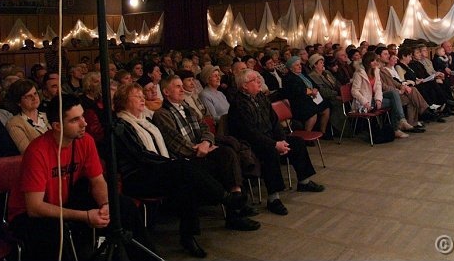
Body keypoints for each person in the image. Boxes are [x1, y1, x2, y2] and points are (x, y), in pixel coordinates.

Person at [7, 94, 152, 261]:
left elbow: (97, 181)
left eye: (82, 116)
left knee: (122, 206)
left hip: (65, 202)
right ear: (57, 126)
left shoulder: (85, 140)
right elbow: (35, 207)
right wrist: (85, 216)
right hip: (27, 215)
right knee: (56, 232)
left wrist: (105, 205)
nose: (84, 123)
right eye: (75, 120)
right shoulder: (37, 151)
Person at [113, 83, 250, 258]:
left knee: (191, 177)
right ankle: (225, 198)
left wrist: (173, 163)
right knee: (183, 168)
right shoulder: (121, 125)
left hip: (158, 169)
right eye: (137, 96)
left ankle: (188, 236)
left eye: (142, 95)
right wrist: (171, 164)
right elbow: (141, 155)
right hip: (138, 176)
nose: (142, 99)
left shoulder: (145, 121)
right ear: (124, 101)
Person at [152, 76, 261, 232]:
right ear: (166, 92)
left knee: (227, 152)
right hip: (186, 160)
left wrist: (206, 143)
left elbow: (205, 128)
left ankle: (235, 205)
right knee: (226, 159)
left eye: (182, 86)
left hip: (203, 150)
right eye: (177, 87)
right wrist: (198, 149)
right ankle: (236, 209)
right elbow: (174, 141)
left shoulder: (188, 108)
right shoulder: (162, 114)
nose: (182, 89)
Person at [229, 69, 325, 216]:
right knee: (270, 153)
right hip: (251, 143)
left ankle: (304, 182)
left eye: (258, 78)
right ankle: (273, 199)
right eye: (254, 80)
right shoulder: (238, 104)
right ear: (244, 86)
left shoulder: (261, 97)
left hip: (270, 137)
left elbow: (274, 121)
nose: (259, 81)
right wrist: (274, 144)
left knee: (297, 142)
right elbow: (250, 133)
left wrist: (281, 139)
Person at [351, 51, 406, 139]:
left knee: (394, 93)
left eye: (376, 60)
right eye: (373, 61)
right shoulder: (359, 73)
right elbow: (354, 91)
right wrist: (365, 102)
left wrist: (378, 99)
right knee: (394, 102)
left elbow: (378, 87)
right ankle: (396, 128)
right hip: (364, 102)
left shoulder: (376, 71)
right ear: (368, 62)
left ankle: (401, 120)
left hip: (374, 99)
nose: (376, 62)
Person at [283, 56, 331, 134]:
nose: (300, 66)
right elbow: (298, 91)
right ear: (291, 68)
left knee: (326, 107)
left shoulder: (303, 75)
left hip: (310, 98)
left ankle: (323, 132)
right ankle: (307, 135)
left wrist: (315, 89)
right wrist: (311, 92)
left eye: (300, 64)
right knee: (312, 113)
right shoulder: (288, 78)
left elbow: (314, 84)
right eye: (297, 65)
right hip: (298, 102)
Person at [5, 79, 51, 153]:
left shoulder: (47, 115)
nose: (34, 98)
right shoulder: (14, 123)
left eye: (35, 93)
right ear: (18, 102)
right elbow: (27, 151)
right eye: (29, 96)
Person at [307, 53, 343, 137]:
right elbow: (322, 91)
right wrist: (336, 95)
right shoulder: (312, 76)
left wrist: (341, 90)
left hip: (333, 94)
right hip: (324, 97)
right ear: (315, 65)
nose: (323, 64)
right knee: (337, 104)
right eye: (320, 63)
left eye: (323, 62)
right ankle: (339, 130)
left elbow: (336, 83)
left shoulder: (326, 73)